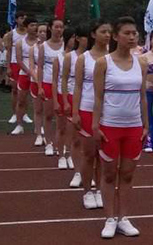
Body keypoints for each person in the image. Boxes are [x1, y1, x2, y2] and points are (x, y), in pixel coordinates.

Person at [93, 17, 148, 238]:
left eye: (134, 33)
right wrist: (96, 126)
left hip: (133, 127)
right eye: (127, 33)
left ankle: (123, 218)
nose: (132, 36)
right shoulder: (103, 63)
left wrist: (146, 125)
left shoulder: (141, 63)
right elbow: (98, 97)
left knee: (127, 175)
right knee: (108, 174)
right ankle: (109, 218)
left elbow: (143, 97)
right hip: (110, 126)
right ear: (115, 37)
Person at [72, 21, 111, 210]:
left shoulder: (113, 57)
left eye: (110, 32)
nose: (107, 35)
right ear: (93, 34)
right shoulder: (84, 59)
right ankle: (87, 191)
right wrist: (75, 112)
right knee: (89, 154)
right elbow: (77, 86)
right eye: (103, 32)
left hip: (109, 112)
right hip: (87, 109)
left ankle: (100, 190)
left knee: (104, 155)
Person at [61, 26, 89, 188]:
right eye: (84, 37)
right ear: (78, 38)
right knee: (76, 138)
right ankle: (78, 172)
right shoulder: (69, 57)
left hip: (92, 102)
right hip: (74, 98)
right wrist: (65, 100)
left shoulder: (97, 57)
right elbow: (64, 80)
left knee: (91, 143)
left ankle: (89, 172)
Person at [38, 19, 65, 159]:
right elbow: (40, 66)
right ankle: (48, 142)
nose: (59, 30)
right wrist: (40, 86)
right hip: (48, 83)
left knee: (63, 118)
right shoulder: (44, 46)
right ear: (51, 28)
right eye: (56, 27)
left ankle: (62, 143)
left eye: (61, 27)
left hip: (63, 85)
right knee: (48, 115)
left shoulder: (66, 45)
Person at [11, 17, 38, 136]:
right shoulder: (19, 43)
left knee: (38, 103)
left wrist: (34, 73)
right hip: (24, 73)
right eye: (32, 25)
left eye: (35, 25)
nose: (34, 27)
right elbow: (19, 59)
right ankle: (19, 125)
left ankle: (39, 126)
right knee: (21, 100)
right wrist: (27, 71)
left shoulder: (41, 42)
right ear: (26, 27)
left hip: (37, 74)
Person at [52, 27, 75, 170]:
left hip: (76, 95)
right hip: (62, 94)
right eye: (73, 37)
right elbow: (55, 81)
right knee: (61, 127)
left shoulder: (80, 57)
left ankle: (71, 155)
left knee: (73, 129)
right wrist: (55, 100)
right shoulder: (59, 57)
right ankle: (61, 155)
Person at [6, 12, 32, 124]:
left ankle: (24, 113)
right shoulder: (12, 34)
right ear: (16, 20)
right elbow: (9, 51)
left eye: (25, 18)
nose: (23, 20)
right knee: (15, 90)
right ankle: (15, 114)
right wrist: (8, 66)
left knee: (25, 91)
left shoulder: (29, 34)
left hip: (26, 63)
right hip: (14, 63)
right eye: (21, 18)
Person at [30, 23, 47, 150]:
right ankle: (39, 134)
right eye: (40, 31)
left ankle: (47, 134)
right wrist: (38, 81)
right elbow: (31, 67)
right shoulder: (33, 48)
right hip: (36, 81)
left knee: (49, 111)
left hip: (49, 81)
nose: (42, 33)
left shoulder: (55, 47)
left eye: (45, 31)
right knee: (38, 109)